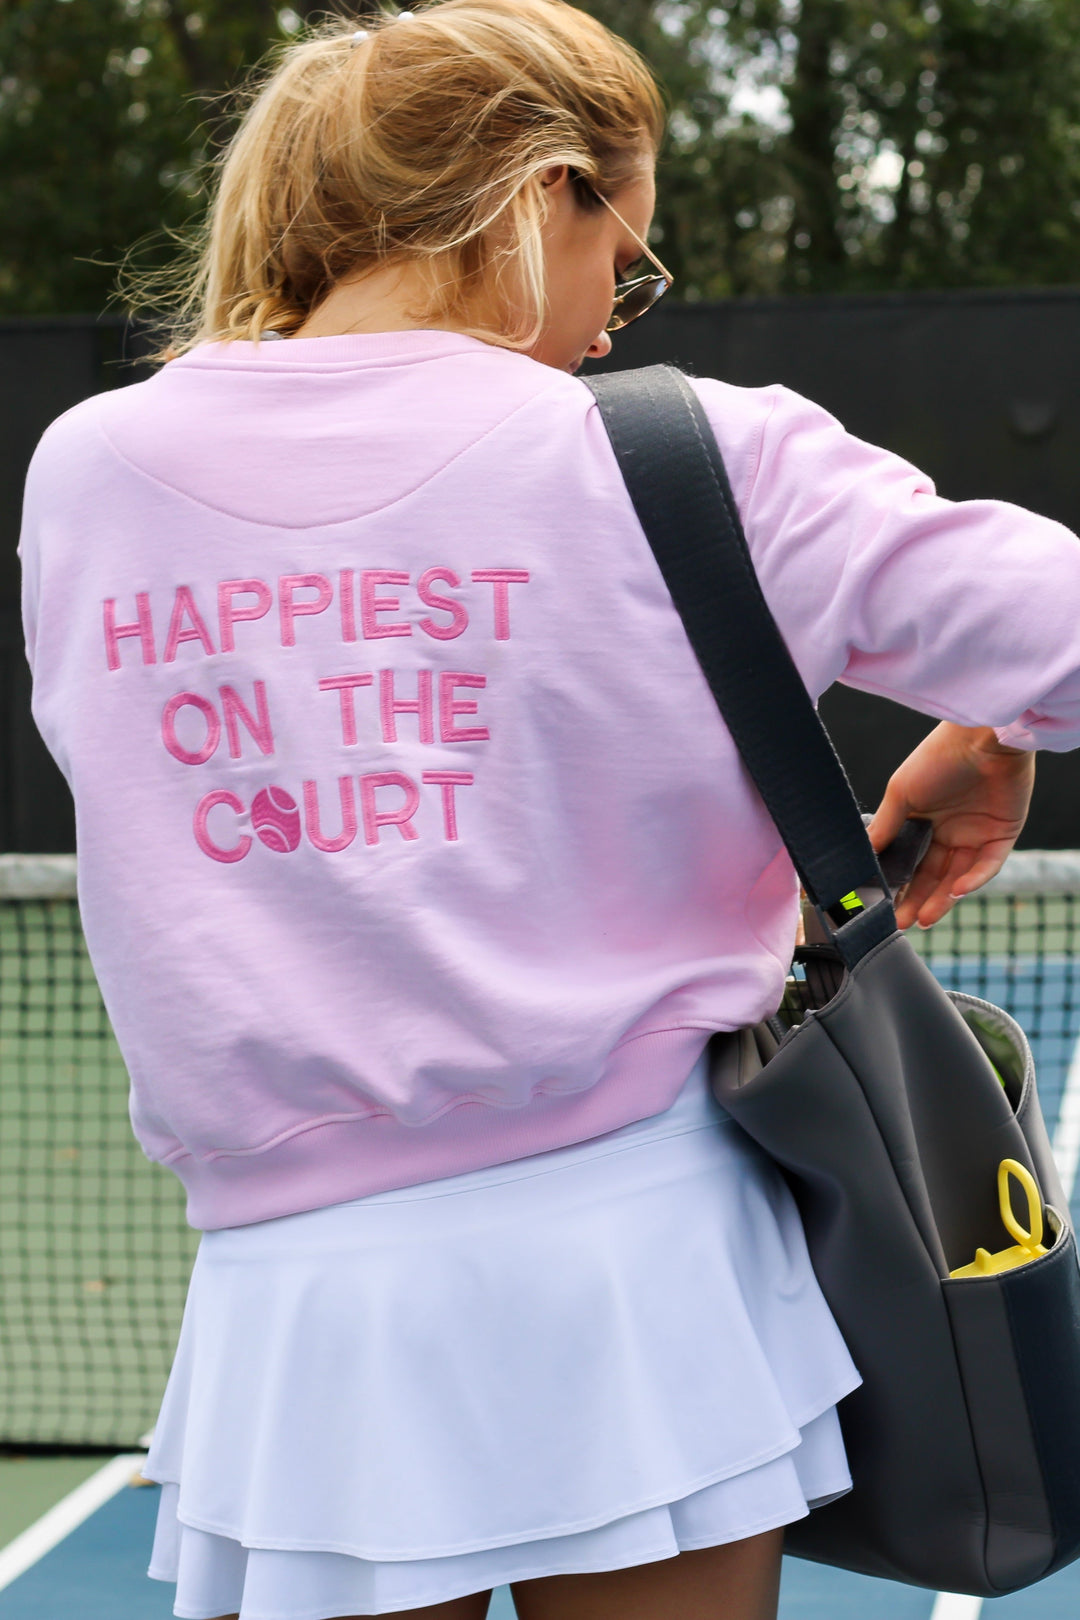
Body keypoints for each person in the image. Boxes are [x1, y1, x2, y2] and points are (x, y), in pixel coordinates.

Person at [17, 2, 1079, 1617]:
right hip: (651, 1269)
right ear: (542, 196)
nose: (607, 324)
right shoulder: (703, 454)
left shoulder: (88, 473)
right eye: (625, 260)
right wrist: (997, 725)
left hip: (298, 1309)